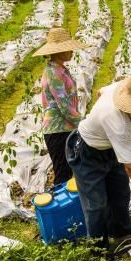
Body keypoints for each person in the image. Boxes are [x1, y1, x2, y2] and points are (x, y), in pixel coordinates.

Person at [66, 72, 131, 248]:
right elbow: (130, 168)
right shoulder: (117, 123)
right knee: (96, 205)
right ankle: (99, 248)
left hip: (109, 149)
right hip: (86, 152)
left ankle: (122, 233)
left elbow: (100, 92)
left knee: (120, 192)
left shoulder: (119, 88)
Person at [33, 27, 85, 186]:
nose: (71, 51)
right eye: (67, 48)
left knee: (70, 172)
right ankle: (60, 209)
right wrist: (83, 122)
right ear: (58, 51)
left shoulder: (60, 70)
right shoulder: (54, 74)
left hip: (66, 129)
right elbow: (64, 106)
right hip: (57, 131)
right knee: (63, 175)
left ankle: (70, 207)